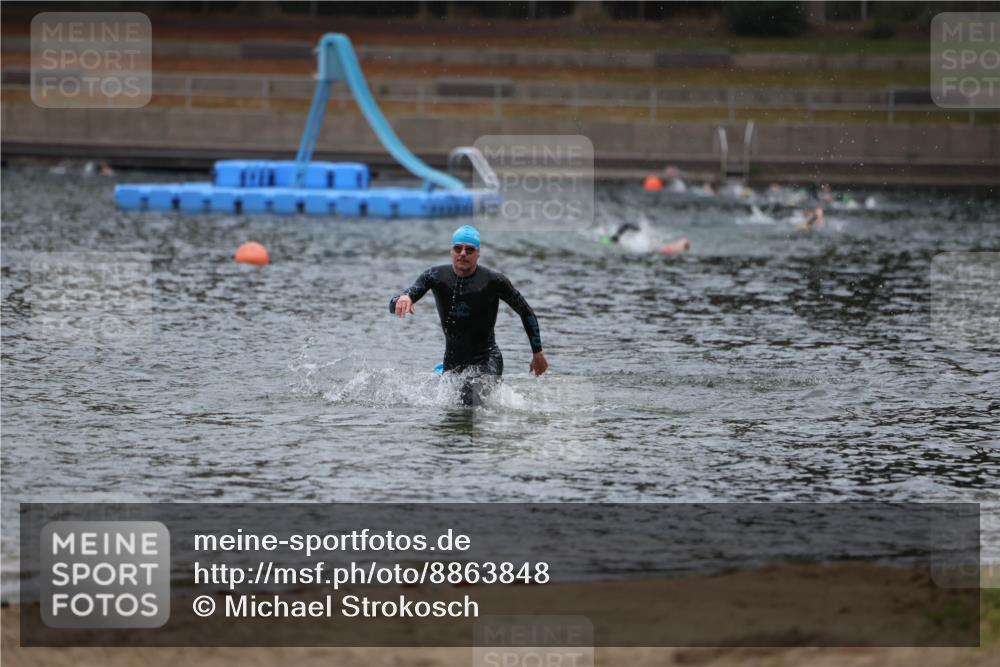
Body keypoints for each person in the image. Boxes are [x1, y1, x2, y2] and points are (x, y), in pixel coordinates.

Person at [390, 225, 548, 405]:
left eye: (469, 249)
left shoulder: (494, 281)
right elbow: (396, 301)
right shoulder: (434, 276)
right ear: (452, 251)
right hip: (452, 362)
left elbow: (526, 311)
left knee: (470, 397)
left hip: (487, 359)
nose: (463, 253)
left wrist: (538, 353)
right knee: (453, 413)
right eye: (458, 248)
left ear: (478, 253)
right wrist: (403, 299)